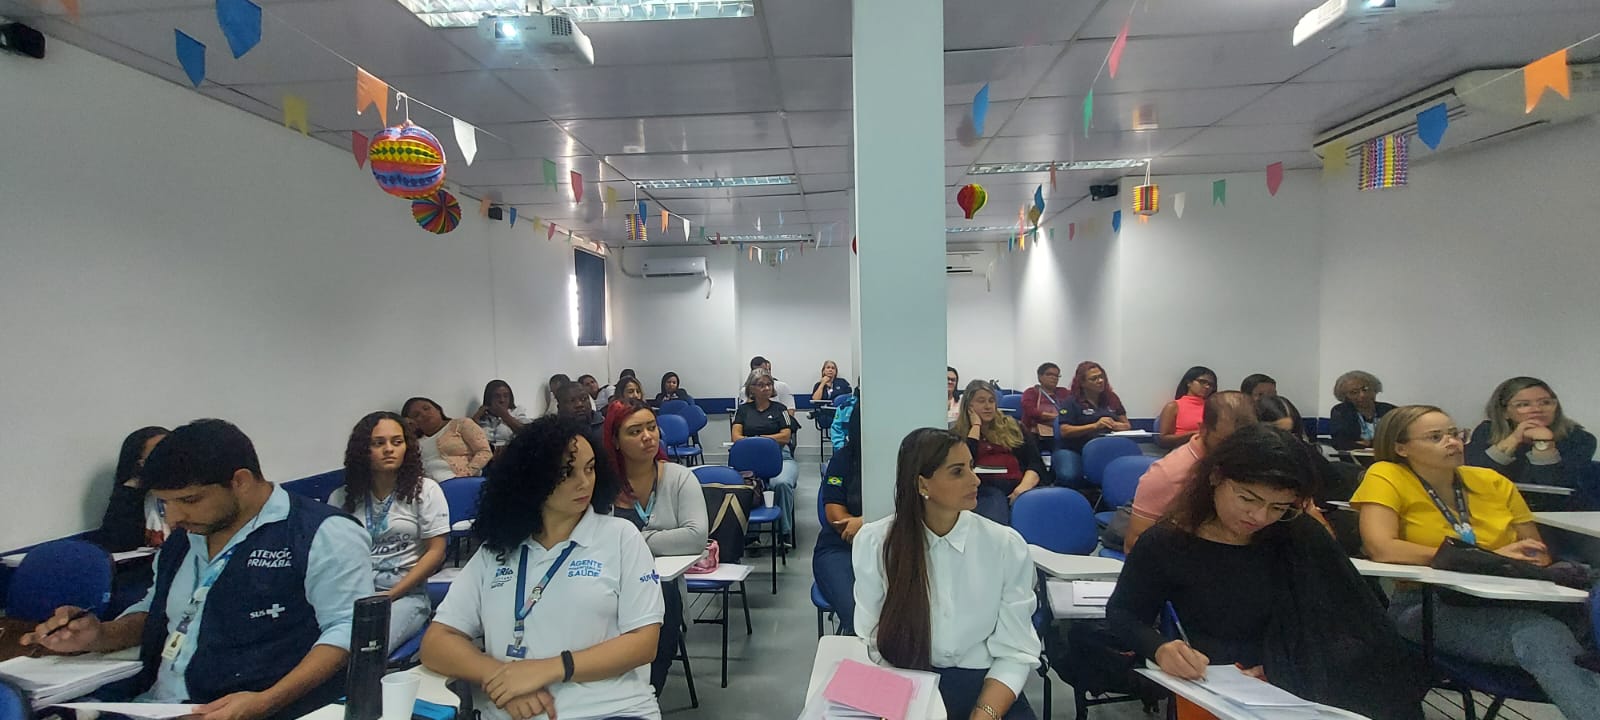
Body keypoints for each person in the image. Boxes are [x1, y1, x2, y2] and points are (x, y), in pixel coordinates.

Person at [23, 419, 373, 720]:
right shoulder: (187, 537)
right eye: (165, 503)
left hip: (253, 707)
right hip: (156, 704)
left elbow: (344, 632)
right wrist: (99, 636)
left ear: (240, 481)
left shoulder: (321, 533)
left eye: (189, 500)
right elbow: (156, 612)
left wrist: (265, 702)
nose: (174, 517)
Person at [1107, 425, 1428, 720]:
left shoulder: (1300, 533)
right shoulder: (1168, 542)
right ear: (1216, 477)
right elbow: (1123, 613)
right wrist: (1160, 647)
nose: (1259, 516)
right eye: (1248, 498)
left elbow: (1358, 622)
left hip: (1311, 684)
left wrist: (1283, 670)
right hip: (1222, 687)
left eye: (1278, 507)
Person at [1352, 405, 1600, 718]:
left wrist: (1503, 561)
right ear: (1401, 447)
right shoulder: (1387, 475)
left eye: (1456, 434)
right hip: (1427, 604)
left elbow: (1537, 553)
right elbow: (1382, 548)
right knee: (1540, 636)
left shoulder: (1492, 481)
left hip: (1512, 600)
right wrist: (1485, 559)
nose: (1452, 442)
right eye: (1436, 437)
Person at [420, 416, 663, 720]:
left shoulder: (620, 538)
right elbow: (437, 642)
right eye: (566, 473)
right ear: (531, 478)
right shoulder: (496, 550)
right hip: (512, 709)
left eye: (589, 469)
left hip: (608, 709)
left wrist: (547, 670)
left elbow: (643, 643)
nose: (584, 482)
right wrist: (502, 676)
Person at [852, 427, 1041, 720]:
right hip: (906, 682)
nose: (975, 479)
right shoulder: (876, 543)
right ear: (922, 484)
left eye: (971, 467)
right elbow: (873, 641)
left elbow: (1015, 650)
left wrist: (984, 714)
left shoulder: (1004, 545)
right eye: (957, 471)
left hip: (987, 683)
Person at [602, 399, 708, 695]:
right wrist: (658, 541)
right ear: (616, 441)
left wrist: (633, 541)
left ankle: (648, 694)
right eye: (635, 431)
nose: (647, 436)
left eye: (651, 428)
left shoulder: (678, 477)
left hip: (661, 588)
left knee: (662, 600)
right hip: (609, 585)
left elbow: (696, 536)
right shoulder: (601, 485)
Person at [328, 412, 449, 649]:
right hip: (353, 592)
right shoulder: (342, 497)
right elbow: (333, 555)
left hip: (404, 595)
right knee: (320, 643)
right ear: (363, 450)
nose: (389, 449)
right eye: (378, 443)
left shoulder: (425, 490)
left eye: (397, 442)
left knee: (364, 646)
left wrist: (389, 596)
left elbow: (436, 551)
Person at [1126, 391, 1257, 553]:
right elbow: (1136, 544)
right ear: (1202, 430)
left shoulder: (1250, 461)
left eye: (1245, 442)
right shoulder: (1168, 474)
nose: (1237, 450)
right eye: (1225, 442)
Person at [1467, 376, 1597, 493]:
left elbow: (1555, 486)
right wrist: (1513, 439)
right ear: (1504, 412)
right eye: (1523, 405)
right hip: (1497, 508)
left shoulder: (1579, 439)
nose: (1537, 410)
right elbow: (1474, 478)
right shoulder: (1486, 432)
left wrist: (1543, 443)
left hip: (1554, 512)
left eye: (1545, 403)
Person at [954, 380, 1046, 526]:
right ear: (969, 406)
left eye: (991, 401)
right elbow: (964, 463)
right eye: (981, 401)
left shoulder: (1013, 427)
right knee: (995, 518)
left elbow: (1035, 463)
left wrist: (1021, 489)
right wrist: (976, 427)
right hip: (984, 488)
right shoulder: (958, 434)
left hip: (1020, 484)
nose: (988, 406)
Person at [732, 371, 800, 541]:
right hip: (750, 461)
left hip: (781, 457)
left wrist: (758, 440)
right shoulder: (743, 410)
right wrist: (765, 441)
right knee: (748, 486)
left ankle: (784, 533)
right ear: (751, 388)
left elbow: (785, 436)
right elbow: (736, 437)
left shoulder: (780, 409)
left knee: (782, 484)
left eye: (769, 384)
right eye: (761, 385)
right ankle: (752, 535)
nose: (767, 388)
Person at [815, 400, 864, 634]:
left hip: (894, 548)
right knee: (857, 616)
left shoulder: (909, 459)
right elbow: (838, 519)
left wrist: (865, 523)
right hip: (841, 548)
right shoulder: (843, 459)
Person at [96, 426, 172, 552]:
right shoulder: (132, 496)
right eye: (159, 456)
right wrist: (130, 489)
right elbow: (118, 544)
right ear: (140, 464)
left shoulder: (199, 492)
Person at [1055, 362, 1132, 484]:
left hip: (1107, 447)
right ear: (1082, 383)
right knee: (1070, 474)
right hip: (1077, 449)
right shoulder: (1071, 402)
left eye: (1102, 377)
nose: (1100, 381)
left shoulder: (1112, 398)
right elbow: (1065, 431)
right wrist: (1095, 426)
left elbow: (1127, 425)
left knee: (1129, 471)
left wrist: (1117, 426)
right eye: (1094, 378)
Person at [403, 397, 493, 481]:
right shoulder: (415, 442)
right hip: (430, 488)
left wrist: (466, 473)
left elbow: (484, 451)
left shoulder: (461, 424)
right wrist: (407, 430)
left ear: (438, 409)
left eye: (426, 408)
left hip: (462, 480)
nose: (424, 414)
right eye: (416, 415)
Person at [1329, 370, 1395, 451]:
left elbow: (1398, 441)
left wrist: (1369, 443)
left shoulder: (1390, 410)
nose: (1362, 395)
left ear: (1374, 389)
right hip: (1355, 460)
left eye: (1365, 389)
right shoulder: (1341, 412)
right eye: (1354, 392)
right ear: (1345, 397)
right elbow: (1342, 443)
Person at [1156, 366, 1217, 449]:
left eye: (1211, 385)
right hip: (1183, 450)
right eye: (1202, 382)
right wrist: (1194, 434)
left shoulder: (1214, 407)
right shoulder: (1173, 406)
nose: (1207, 387)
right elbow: (1163, 439)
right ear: (1189, 383)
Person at [1019, 363, 1072, 453]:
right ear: (1040, 377)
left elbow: (1072, 409)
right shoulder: (1031, 392)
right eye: (1049, 374)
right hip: (1035, 433)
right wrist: (1057, 417)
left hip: (1060, 432)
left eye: (1056, 375)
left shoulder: (1064, 392)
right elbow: (1031, 411)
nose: (1054, 378)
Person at [474, 380, 531, 451]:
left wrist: (505, 416)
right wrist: (476, 417)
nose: (502, 400)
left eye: (506, 396)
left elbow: (528, 433)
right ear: (489, 399)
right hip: (486, 455)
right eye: (497, 396)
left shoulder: (517, 412)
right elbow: (469, 436)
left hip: (511, 454)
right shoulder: (483, 417)